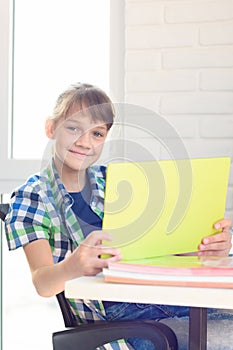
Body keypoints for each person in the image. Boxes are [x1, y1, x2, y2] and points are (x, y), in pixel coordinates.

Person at [5, 83, 233, 350]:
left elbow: (154, 248)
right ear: (51, 128)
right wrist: (73, 266)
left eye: (97, 133)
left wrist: (205, 248)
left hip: (165, 299)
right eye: (73, 128)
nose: (85, 141)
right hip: (121, 322)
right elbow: (42, 282)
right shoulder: (33, 196)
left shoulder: (116, 181)